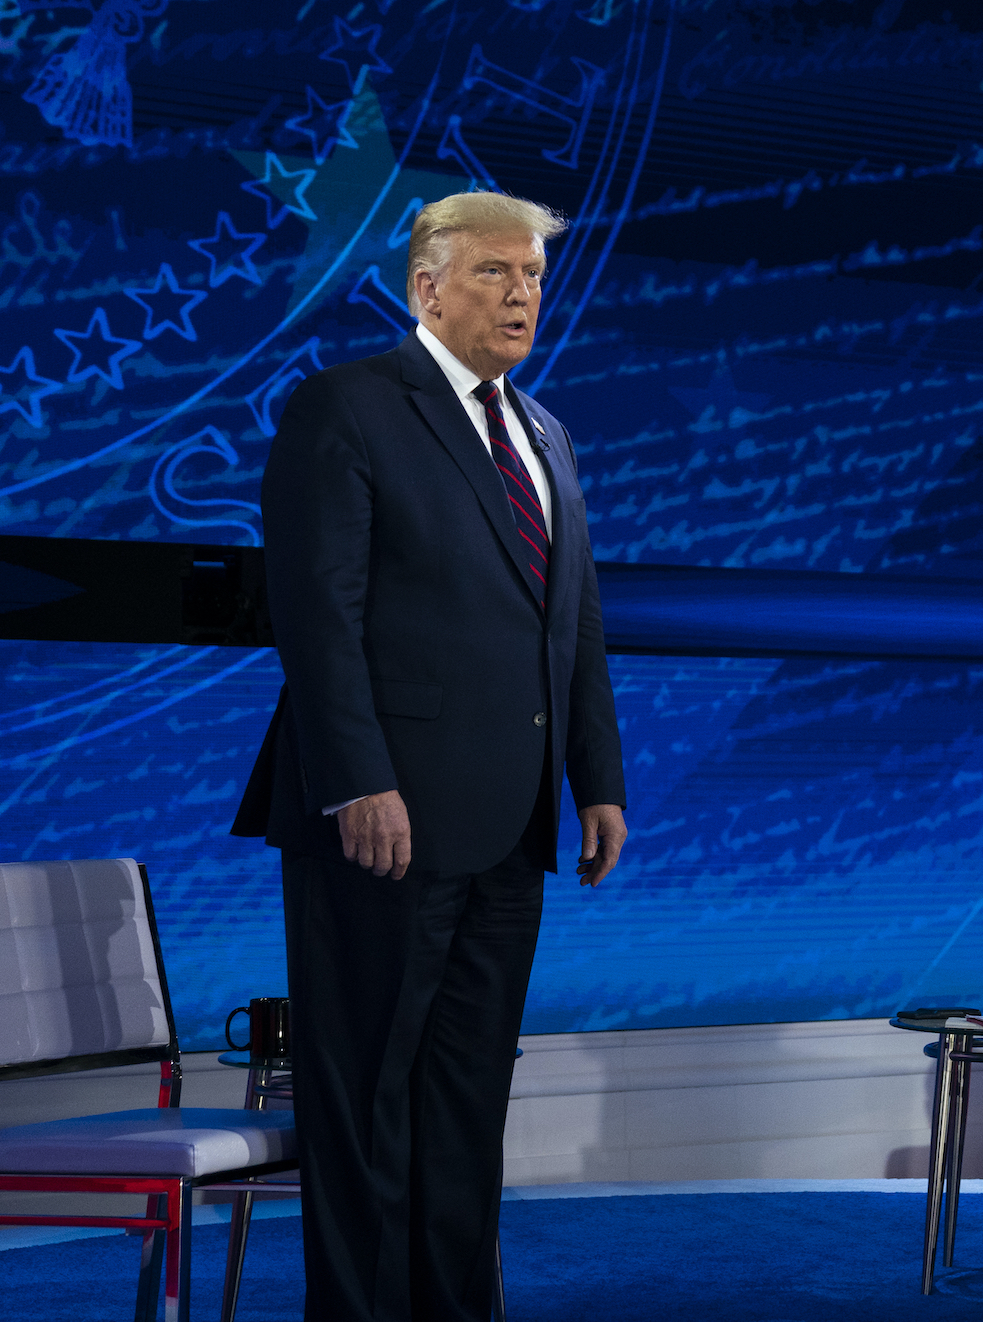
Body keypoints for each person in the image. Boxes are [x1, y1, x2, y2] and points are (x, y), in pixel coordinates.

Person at [232, 190, 628, 1322]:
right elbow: (319, 615)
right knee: (366, 1099)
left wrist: (596, 780)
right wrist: (360, 778)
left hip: (511, 823)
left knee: (465, 1101)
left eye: (534, 275)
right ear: (427, 287)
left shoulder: (545, 433)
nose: (521, 295)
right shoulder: (348, 407)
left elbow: (573, 622)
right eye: (496, 272)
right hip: (382, 819)